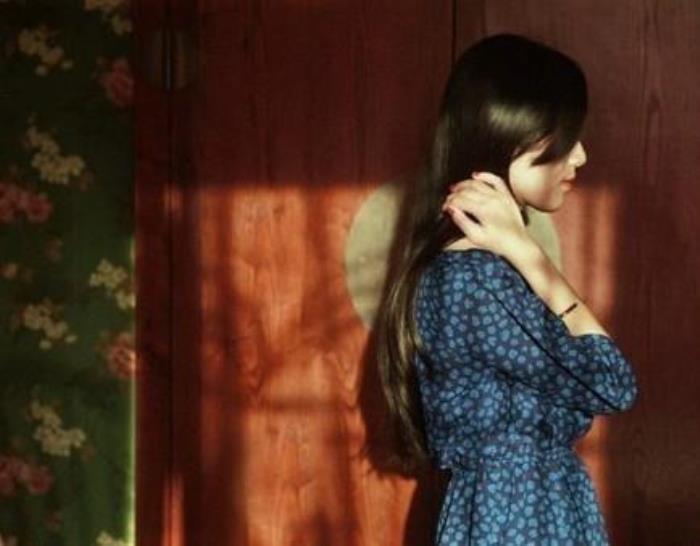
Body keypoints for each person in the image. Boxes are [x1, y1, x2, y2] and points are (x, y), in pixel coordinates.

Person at [374, 33, 639, 545]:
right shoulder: (476, 278)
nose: (580, 156)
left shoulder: (474, 271)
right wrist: (528, 253)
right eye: (564, 139)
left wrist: (522, 251)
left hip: (519, 509)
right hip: (521, 515)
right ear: (508, 136)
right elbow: (613, 383)